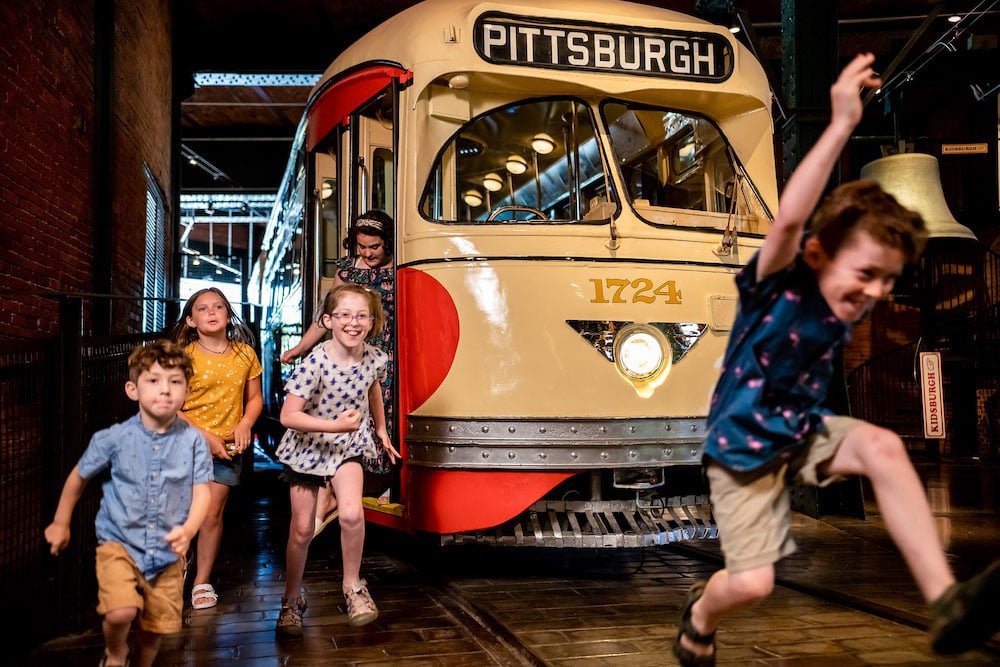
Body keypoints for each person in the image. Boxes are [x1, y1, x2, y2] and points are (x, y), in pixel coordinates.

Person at [672, 53, 1000, 666]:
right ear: (819, 255)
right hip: (741, 449)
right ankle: (699, 615)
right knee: (751, 585)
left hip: (800, 433)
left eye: (889, 280)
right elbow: (792, 216)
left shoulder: (842, 309)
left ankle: (945, 602)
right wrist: (843, 122)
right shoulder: (776, 285)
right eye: (867, 274)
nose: (877, 291)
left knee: (883, 447)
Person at [44, 340, 213, 667]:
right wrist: (61, 522)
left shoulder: (194, 442)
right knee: (121, 612)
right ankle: (117, 652)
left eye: (175, 381)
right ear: (132, 389)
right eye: (153, 380)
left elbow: (202, 490)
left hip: (168, 551)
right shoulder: (112, 439)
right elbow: (79, 477)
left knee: (154, 628)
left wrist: (189, 529)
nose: (165, 390)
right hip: (118, 544)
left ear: (187, 391)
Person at [273, 282, 401, 637]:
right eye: (344, 315)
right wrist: (334, 425)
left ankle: (353, 588)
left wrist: (381, 430)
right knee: (302, 530)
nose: (353, 322)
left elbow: (372, 386)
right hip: (307, 448)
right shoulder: (314, 362)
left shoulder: (376, 357)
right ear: (328, 320)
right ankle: (290, 599)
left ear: (372, 322)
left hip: (348, 446)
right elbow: (288, 416)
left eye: (362, 316)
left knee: (350, 513)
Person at [281, 210, 396, 535]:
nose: (367, 253)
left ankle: (370, 488)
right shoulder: (347, 269)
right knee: (346, 419)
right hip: (348, 358)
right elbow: (324, 315)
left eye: (374, 247)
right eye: (361, 247)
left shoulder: (401, 266)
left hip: (385, 357)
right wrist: (301, 348)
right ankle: (332, 493)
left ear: (386, 243)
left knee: (378, 422)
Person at [170, 287, 263, 610]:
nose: (211, 312)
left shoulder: (245, 355)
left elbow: (254, 399)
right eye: (203, 308)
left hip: (226, 449)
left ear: (228, 315)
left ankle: (201, 581)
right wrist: (204, 436)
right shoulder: (181, 357)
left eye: (219, 306)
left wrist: (245, 423)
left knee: (210, 514)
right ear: (191, 320)